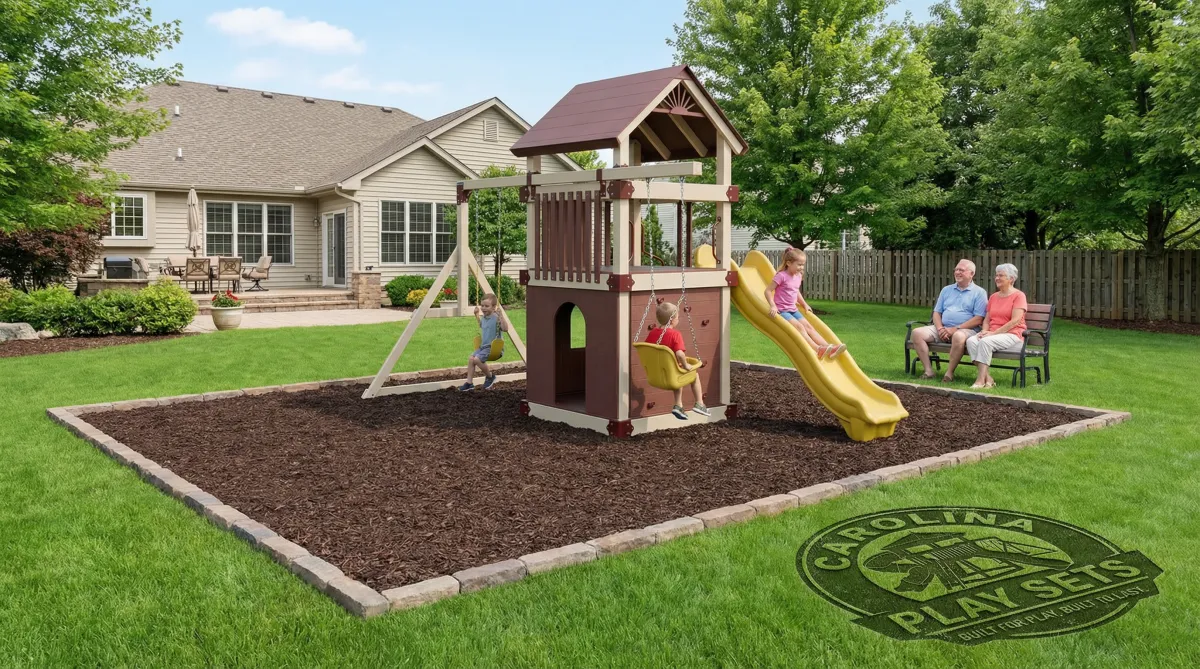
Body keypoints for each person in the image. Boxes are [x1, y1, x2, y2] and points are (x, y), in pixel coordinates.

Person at [909, 259, 989, 381]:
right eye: (956, 270)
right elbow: (937, 312)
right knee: (917, 333)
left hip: (967, 330)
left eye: (961, 270)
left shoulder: (979, 293)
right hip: (943, 327)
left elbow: (978, 319)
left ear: (971, 273)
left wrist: (956, 328)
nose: (957, 272)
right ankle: (929, 371)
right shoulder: (946, 290)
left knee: (958, 336)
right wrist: (940, 328)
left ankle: (949, 373)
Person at [766, 247, 846, 359]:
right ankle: (818, 349)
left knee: (809, 327)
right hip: (782, 310)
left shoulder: (798, 276)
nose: (801, 267)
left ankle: (829, 347)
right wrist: (773, 305)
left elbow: (796, 291)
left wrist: (804, 304)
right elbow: (768, 291)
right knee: (800, 327)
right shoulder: (781, 276)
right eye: (799, 265)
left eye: (803, 265)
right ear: (788, 263)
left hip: (793, 309)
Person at [966, 263, 1028, 389]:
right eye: (996, 275)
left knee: (985, 342)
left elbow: (1015, 321)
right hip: (992, 334)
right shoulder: (993, 297)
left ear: (1011, 279)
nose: (997, 278)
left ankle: (979, 381)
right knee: (971, 341)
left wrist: (993, 333)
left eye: (1001, 275)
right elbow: (987, 319)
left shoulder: (1019, 296)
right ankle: (988, 378)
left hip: (1012, 334)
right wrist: (984, 330)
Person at [646, 301, 711, 420]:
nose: (678, 320)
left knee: (676, 367)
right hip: (671, 376)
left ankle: (678, 405)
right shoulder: (675, 335)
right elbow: (680, 354)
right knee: (693, 374)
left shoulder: (652, 333)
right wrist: (686, 365)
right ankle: (699, 403)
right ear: (671, 320)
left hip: (656, 375)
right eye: (677, 317)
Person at [459, 293, 507, 391]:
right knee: (471, 359)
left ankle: (490, 377)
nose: (483, 308)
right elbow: (482, 325)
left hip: (494, 348)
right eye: (482, 306)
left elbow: (505, 329)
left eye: (487, 306)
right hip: (483, 347)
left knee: (477, 359)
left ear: (494, 307)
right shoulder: (484, 318)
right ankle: (469, 383)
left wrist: (501, 315)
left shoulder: (496, 317)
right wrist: (476, 315)